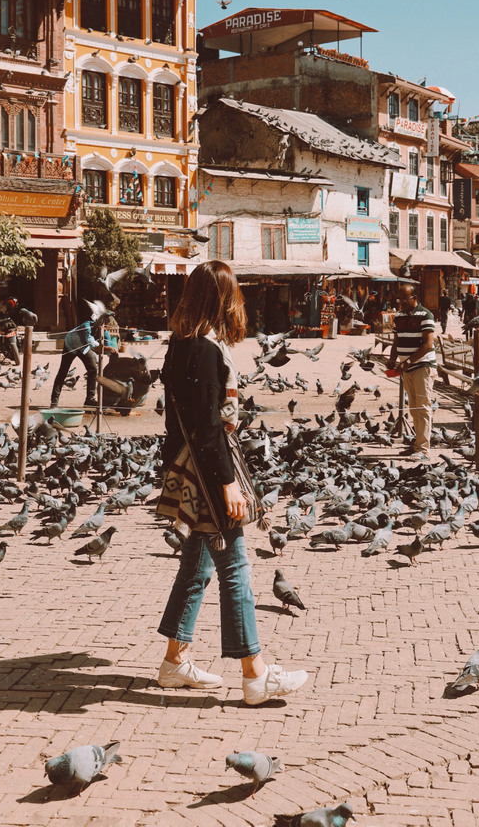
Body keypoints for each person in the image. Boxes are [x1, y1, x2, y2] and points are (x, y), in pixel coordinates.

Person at [156, 260, 308, 706]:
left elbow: (175, 425)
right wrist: (226, 484)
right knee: (235, 568)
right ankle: (254, 673)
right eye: (235, 294)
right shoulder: (205, 351)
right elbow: (207, 428)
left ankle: (174, 661)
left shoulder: (179, 345)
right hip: (209, 471)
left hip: (192, 467)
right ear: (222, 299)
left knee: (197, 567)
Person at [387, 284, 437, 460]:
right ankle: (417, 444)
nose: (401, 303)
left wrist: (407, 362)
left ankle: (423, 450)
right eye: (399, 300)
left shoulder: (425, 315)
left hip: (422, 366)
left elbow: (428, 344)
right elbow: (396, 341)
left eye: (404, 300)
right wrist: (393, 359)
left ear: (414, 297)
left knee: (422, 408)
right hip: (406, 367)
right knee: (414, 408)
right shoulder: (399, 316)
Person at [50, 304, 111, 408]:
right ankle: (54, 401)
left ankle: (89, 400)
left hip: (83, 348)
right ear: (97, 322)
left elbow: (109, 345)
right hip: (71, 346)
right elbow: (90, 340)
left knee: (93, 370)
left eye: (105, 326)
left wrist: (111, 353)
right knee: (63, 371)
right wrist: (103, 347)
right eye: (102, 324)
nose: (104, 328)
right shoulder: (87, 325)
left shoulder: (104, 331)